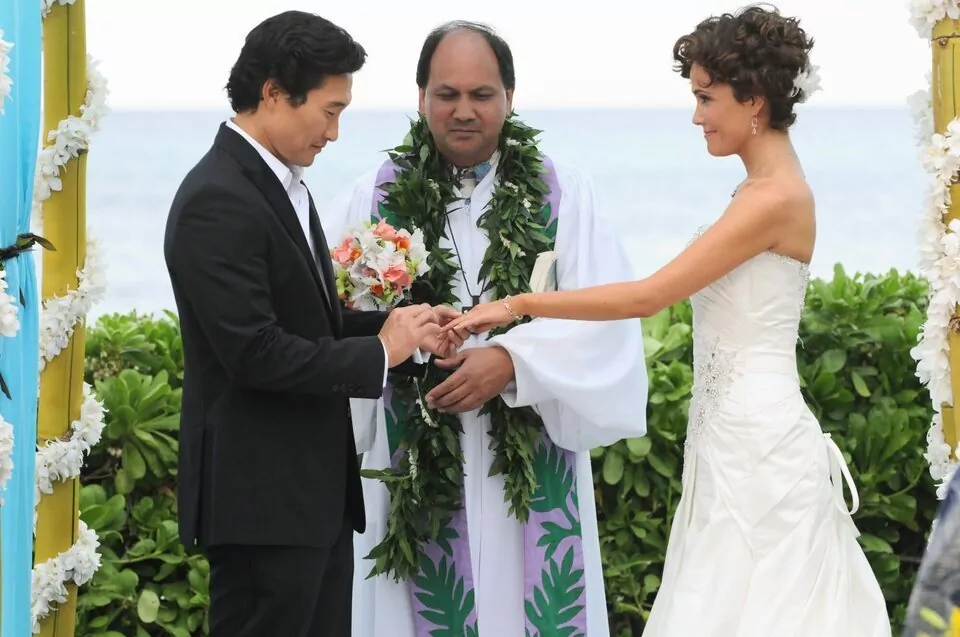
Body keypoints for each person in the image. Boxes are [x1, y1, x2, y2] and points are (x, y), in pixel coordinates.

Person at [443, 7, 892, 636]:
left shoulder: (773, 198)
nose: (696, 116)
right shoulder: (760, 189)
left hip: (758, 444)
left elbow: (649, 296)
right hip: (730, 435)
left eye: (706, 98)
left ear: (753, 100)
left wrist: (518, 306)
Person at [321, 20, 648, 637]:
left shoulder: (564, 196)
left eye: (482, 94)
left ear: (510, 96)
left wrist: (514, 363)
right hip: (412, 453)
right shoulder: (369, 201)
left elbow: (606, 320)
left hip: (531, 442)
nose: (464, 111)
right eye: (447, 94)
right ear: (421, 97)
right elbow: (330, 326)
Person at [162, 11, 446, 637]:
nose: (335, 133)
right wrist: (381, 353)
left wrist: (403, 329)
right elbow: (254, 352)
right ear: (273, 93)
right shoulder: (217, 197)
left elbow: (310, 322)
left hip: (310, 503)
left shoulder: (282, 184)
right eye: (329, 110)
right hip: (261, 505)